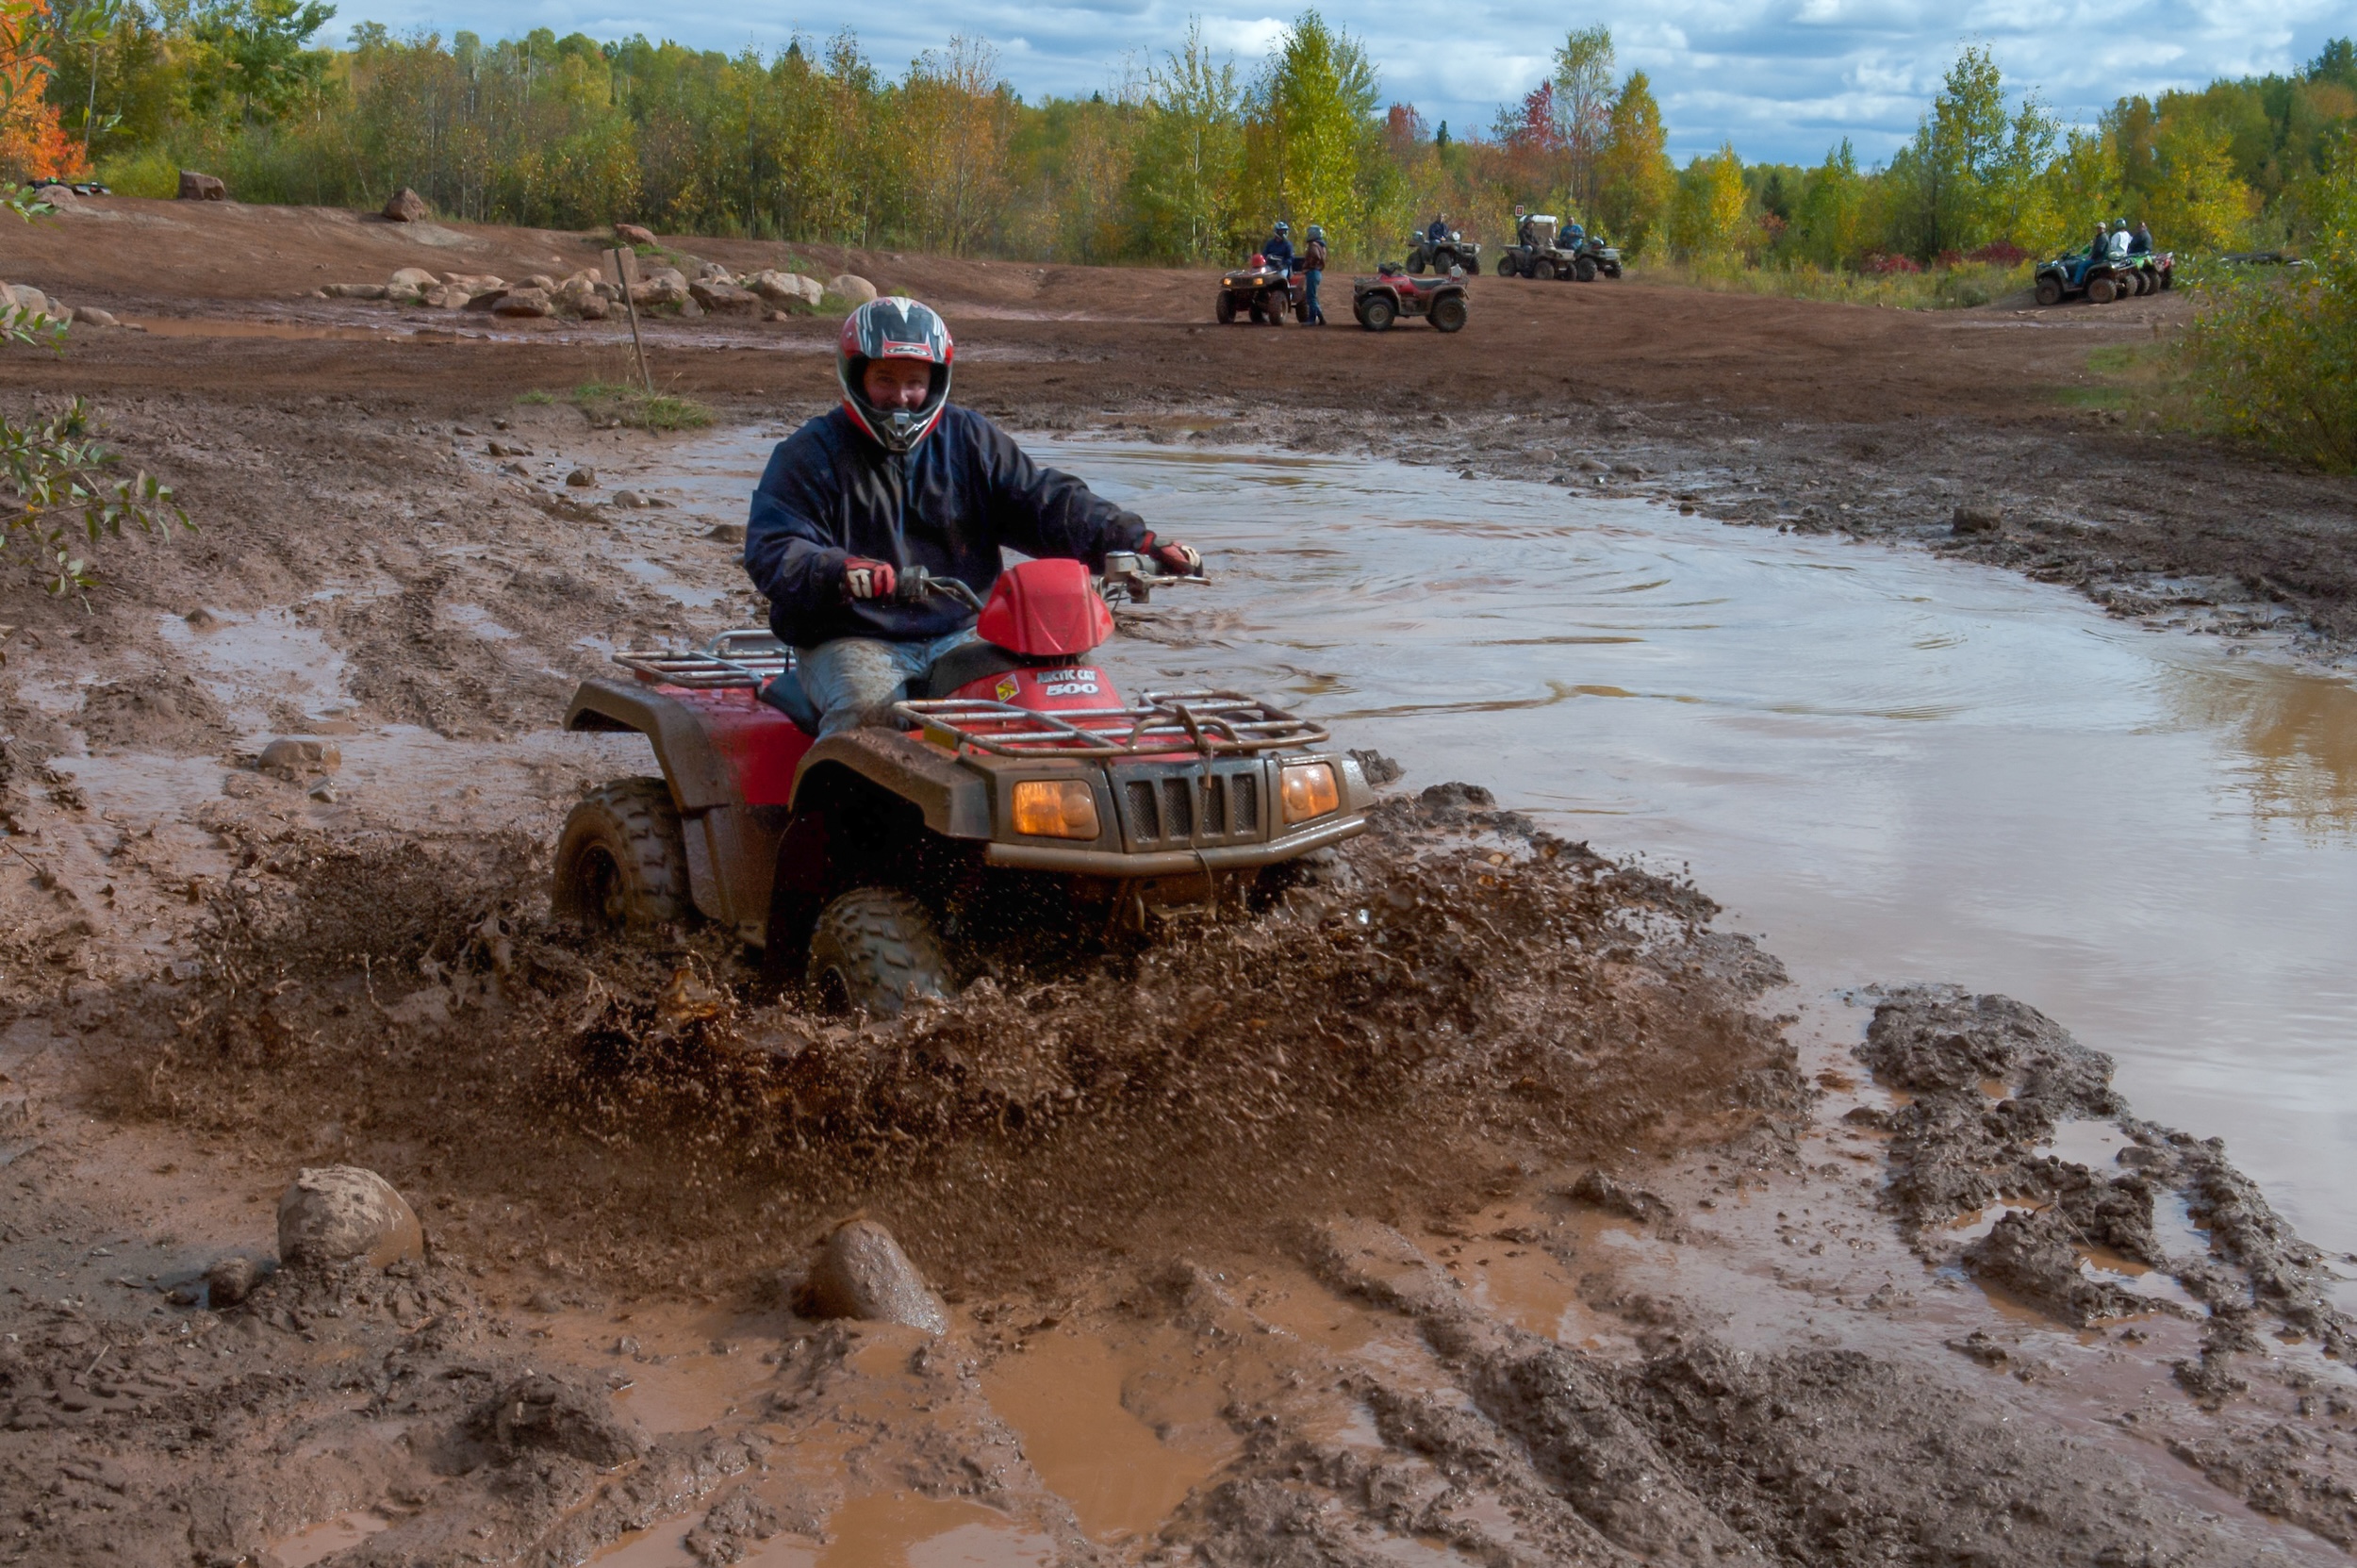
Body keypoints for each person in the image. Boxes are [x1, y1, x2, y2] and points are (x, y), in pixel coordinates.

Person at [743, 298, 1202, 735]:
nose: (900, 398)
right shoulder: (809, 454)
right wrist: (839, 571)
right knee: (869, 712)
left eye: (914, 382)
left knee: (1049, 688)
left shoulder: (970, 440)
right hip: (851, 636)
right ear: (856, 376)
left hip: (959, 631)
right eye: (884, 379)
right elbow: (775, 547)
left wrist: (1139, 541)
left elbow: (1046, 502)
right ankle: (826, 818)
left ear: (935, 381)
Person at [1302, 223, 1329, 325]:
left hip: (1313, 272)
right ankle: (1321, 318)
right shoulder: (1321, 245)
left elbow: (1316, 256)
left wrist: (1310, 265)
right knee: (1313, 296)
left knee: (1311, 297)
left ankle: (1312, 320)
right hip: (1317, 272)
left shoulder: (1313, 244)